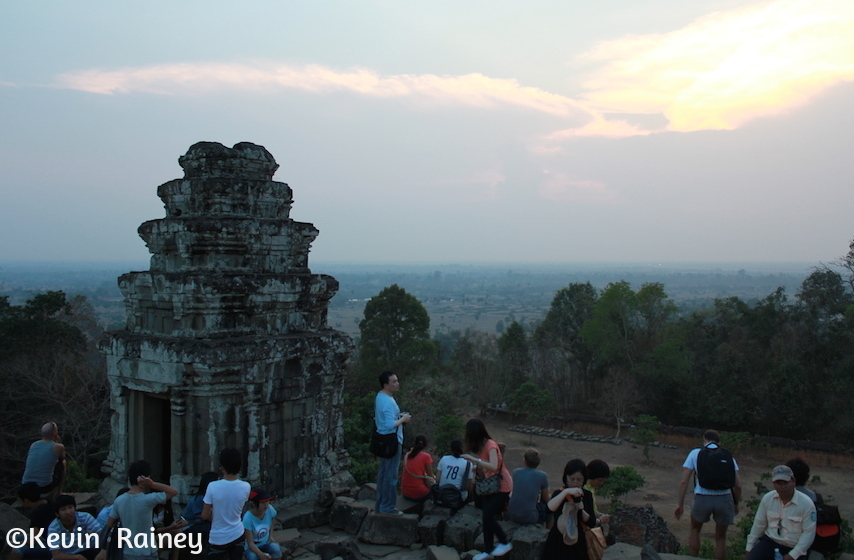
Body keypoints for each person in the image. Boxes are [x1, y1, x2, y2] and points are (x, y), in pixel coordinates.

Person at [675, 430, 742, 560]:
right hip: (724, 498)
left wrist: (680, 504)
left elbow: (684, 481)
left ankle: (693, 558)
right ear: (719, 441)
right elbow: (738, 485)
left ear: (704, 439)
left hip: (702, 498)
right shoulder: (727, 455)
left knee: (695, 530)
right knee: (721, 537)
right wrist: (735, 503)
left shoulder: (696, 453)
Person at [96, 460, 182, 560]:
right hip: (148, 552)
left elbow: (110, 524)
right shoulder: (148, 499)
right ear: (145, 479)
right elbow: (174, 492)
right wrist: (152, 484)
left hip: (127, 553)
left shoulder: (119, 501)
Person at [462, 418, 513, 560]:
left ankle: (504, 542)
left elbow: (493, 466)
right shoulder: (481, 446)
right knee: (486, 517)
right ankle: (488, 549)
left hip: (502, 486)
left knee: (487, 516)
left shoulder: (490, 445)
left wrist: (475, 460)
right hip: (489, 486)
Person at [746, 465, 816, 560]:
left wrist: (792, 555)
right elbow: (759, 524)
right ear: (773, 484)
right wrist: (749, 548)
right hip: (771, 542)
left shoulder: (806, 504)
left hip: (795, 546)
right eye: (779, 483)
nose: (783, 487)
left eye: (785, 483)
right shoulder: (768, 499)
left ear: (793, 481)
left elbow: (808, 534)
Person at [542, 459, 598, 560]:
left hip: (578, 543)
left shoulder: (587, 495)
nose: (575, 483)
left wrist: (582, 510)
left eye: (579, 480)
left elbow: (591, 522)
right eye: (572, 479)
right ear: (566, 478)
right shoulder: (560, 493)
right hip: (558, 542)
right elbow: (548, 509)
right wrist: (565, 493)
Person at [202, 448, 251, 560]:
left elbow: (204, 515)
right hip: (238, 534)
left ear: (222, 467)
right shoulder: (246, 487)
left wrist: (212, 513)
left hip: (218, 537)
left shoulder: (212, 486)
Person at [374, 371, 411, 515]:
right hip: (392, 441)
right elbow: (389, 424)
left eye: (397, 380)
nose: (397, 383)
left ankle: (380, 505)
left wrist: (399, 416)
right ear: (386, 385)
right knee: (391, 475)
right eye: (394, 381)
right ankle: (388, 507)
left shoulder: (380, 397)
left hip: (383, 439)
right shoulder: (388, 402)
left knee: (383, 473)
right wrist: (403, 420)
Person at [47, 494, 103, 560]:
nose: (68, 512)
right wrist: (77, 557)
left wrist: (103, 551)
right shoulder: (53, 528)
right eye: (63, 509)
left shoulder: (85, 517)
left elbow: (101, 534)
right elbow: (56, 555)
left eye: (70, 507)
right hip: (67, 556)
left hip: (88, 550)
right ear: (57, 514)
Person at [10, 483, 56, 560]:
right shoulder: (48, 502)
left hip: (53, 547)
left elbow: (31, 541)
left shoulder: (37, 514)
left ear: (26, 500)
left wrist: (16, 543)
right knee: (16, 538)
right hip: (53, 539)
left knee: (17, 550)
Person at [22, 422, 66, 498]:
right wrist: (58, 441)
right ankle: (59, 492)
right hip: (44, 487)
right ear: (54, 433)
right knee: (63, 463)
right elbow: (62, 458)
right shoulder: (58, 446)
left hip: (26, 485)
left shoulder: (34, 444)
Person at [507, 448, 550, 526]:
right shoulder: (542, 476)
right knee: (550, 512)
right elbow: (546, 498)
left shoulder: (515, 472)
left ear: (525, 461)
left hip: (512, 514)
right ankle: (547, 533)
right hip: (529, 516)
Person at [242, 488, 281, 560]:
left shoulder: (270, 509)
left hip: (266, 543)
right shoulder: (247, 519)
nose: (266, 505)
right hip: (252, 547)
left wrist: (271, 536)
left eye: (267, 501)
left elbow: (272, 519)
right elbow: (250, 543)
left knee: (276, 549)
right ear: (254, 504)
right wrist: (261, 555)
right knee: (252, 557)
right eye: (263, 502)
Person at [401, 435, 435, 502]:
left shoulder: (407, 455)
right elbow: (430, 475)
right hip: (419, 494)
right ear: (426, 445)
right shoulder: (426, 457)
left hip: (405, 492)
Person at [584, 459, 611, 526]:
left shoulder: (591, 488)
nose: (601, 483)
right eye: (599, 480)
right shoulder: (585, 490)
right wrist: (600, 520)